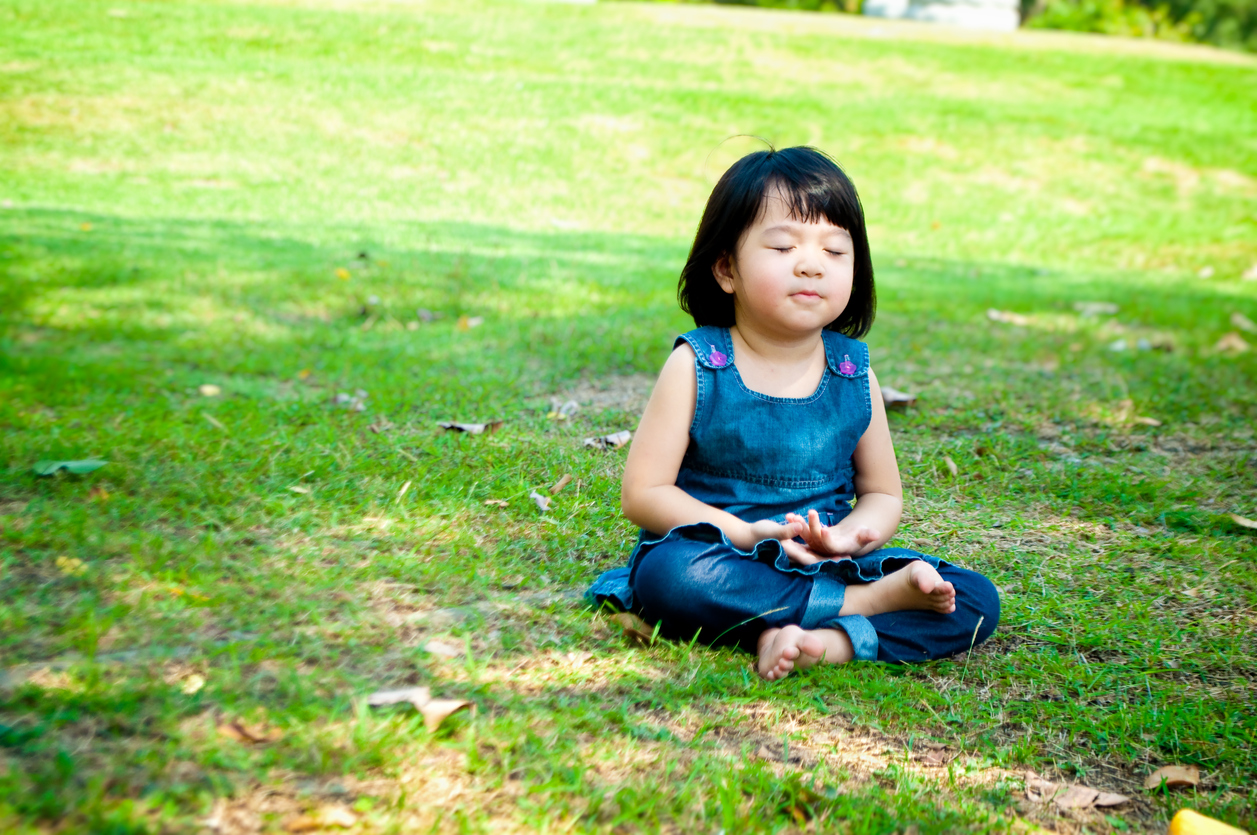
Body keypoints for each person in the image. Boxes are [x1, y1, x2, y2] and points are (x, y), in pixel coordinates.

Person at [587, 146, 999, 680]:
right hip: (721, 552)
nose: (811, 263)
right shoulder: (699, 364)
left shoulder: (853, 373)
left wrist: (850, 537)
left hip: (825, 558)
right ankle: (861, 608)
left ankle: (817, 642)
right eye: (783, 246)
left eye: (835, 251)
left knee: (973, 598)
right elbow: (644, 494)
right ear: (726, 269)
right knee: (670, 579)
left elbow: (882, 494)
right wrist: (744, 533)